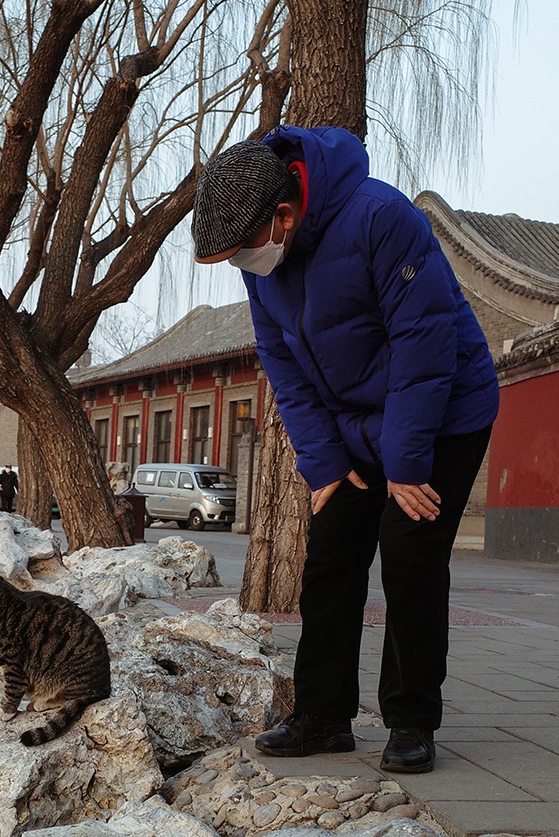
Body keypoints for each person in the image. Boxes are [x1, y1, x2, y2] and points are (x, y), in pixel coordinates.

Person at [192, 128, 498, 774]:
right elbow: (282, 364)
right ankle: (323, 716)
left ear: (283, 215)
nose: (242, 264)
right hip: (354, 426)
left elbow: (423, 343)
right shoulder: (264, 266)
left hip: (443, 412)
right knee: (331, 555)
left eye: (242, 249)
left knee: (410, 553)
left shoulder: (382, 218)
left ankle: (411, 720)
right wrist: (324, 463)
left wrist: (407, 465)